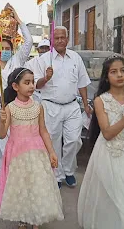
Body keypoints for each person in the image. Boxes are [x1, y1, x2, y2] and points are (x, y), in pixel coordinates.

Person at [0, 68, 64, 229]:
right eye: (26, 82)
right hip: (17, 154)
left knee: (37, 184)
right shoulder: (10, 108)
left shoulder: (38, 107)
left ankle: (36, 217)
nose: (31, 86)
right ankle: (23, 216)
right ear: (15, 86)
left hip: (37, 153)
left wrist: (52, 152)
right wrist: (1, 120)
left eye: (33, 82)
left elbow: (43, 131)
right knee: (21, 186)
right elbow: (1, 134)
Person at [35, 26, 91, 189]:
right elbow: (37, 85)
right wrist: (46, 78)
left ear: (67, 39)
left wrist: (86, 105)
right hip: (51, 106)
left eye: (62, 37)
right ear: (52, 40)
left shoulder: (75, 58)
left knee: (74, 140)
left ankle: (68, 170)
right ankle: (57, 175)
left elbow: (82, 82)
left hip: (72, 106)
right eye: (56, 38)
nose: (60, 40)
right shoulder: (44, 59)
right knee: (53, 142)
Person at [78, 55, 124, 229]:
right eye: (114, 72)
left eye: (123, 70)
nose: (119, 75)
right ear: (107, 77)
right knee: (114, 195)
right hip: (109, 153)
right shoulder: (101, 100)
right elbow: (107, 133)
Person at [0, 5, 33, 174]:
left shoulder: (17, 60)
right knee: (1, 148)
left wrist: (18, 18)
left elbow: (29, 41)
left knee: (17, 146)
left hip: (16, 108)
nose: (4, 51)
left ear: (12, 49)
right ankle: (5, 180)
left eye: (7, 49)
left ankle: (17, 178)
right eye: (1, 49)